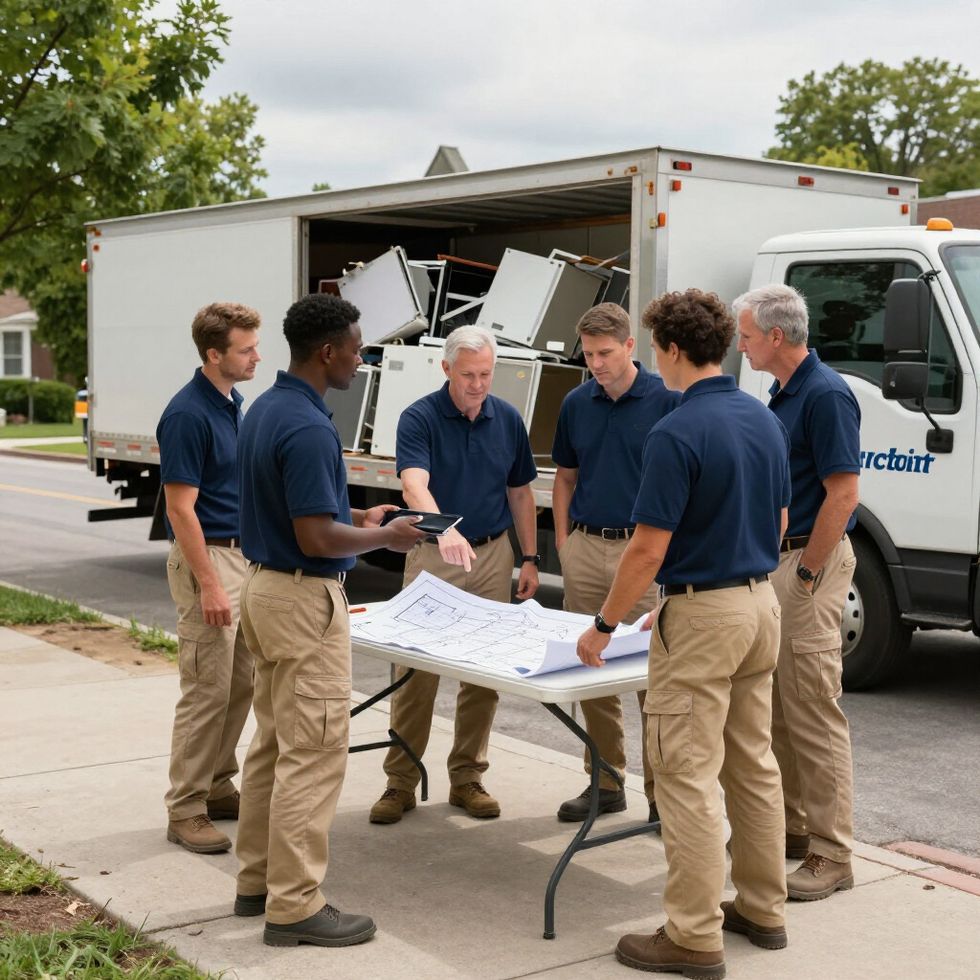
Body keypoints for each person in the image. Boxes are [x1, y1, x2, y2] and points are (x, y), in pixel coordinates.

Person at [577, 289, 791, 977]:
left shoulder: (674, 428)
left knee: (685, 776)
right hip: (759, 603)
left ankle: (693, 935)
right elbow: (781, 522)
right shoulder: (762, 419)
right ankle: (763, 906)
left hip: (706, 613)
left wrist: (605, 624)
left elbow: (646, 548)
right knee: (752, 764)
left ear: (669, 350)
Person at [233, 294, 426, 948]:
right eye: (355, 345)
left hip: (263, 589)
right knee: (313, 754)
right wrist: (387, 538)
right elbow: (315, 537)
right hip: (301, 598)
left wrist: (361, 519)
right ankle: (295, 905)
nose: (360, 355)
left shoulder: (266, 409)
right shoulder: (311, 426)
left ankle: (257, 880)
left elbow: (304, 515)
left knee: (272, 745)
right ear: (327, 351)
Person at [369, 325, 540, 824]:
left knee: (484, 673)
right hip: (434, 555)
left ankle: (467, 777)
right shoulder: (419, 417)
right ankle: (400, 782)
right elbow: (413, 482)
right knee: (415, 671)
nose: (478, 384)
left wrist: (529, 558)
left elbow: (521, 493)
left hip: (492, 556)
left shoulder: (506, 419)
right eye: (468, 374)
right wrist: (443, 527)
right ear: (446, 369)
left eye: (486, 374)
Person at [734, 283, 861, 901]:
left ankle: (833, 855)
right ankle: (792, 828)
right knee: (779, 706)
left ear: (776, 337)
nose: (743, 345)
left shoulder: (826, 394)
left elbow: (844, 493)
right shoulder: (783, 394)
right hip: (779, 562)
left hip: (810, 563)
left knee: (812, 710)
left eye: (748, 335)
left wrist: (807, 575)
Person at [551, 303, 680, 825]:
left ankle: (660, 795)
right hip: (586, 548)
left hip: (644, 554)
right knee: (592, 670)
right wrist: (564, 544)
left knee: (656, 679)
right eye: (588, 354)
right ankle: (604, 781)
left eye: (605, 353)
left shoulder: (668, 401)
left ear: (630, 347)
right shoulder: (576, 403)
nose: (596, 364)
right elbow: (564, 476)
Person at [158, 302, 261, 855]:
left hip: (243, 558)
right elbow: (181, 510)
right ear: (214, 353)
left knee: (240, 682)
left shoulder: (232, 404)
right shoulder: (188, 414)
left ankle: (219, 784)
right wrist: (211, 584)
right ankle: (186, 808)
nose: (256, 356)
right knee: (205, 689)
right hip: (209, 562)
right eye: (246, 349)